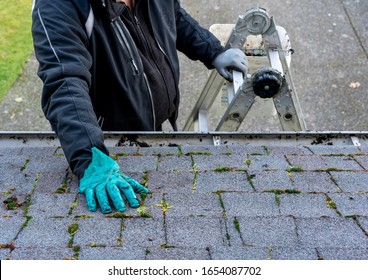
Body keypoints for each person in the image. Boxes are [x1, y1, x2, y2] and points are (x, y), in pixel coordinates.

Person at [31, 0, 248, 213]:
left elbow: (173, 15)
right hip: (108, 146)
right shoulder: (57, 5)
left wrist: (212, 50)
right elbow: (65, 82)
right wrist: (89, 156)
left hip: (153, 130)